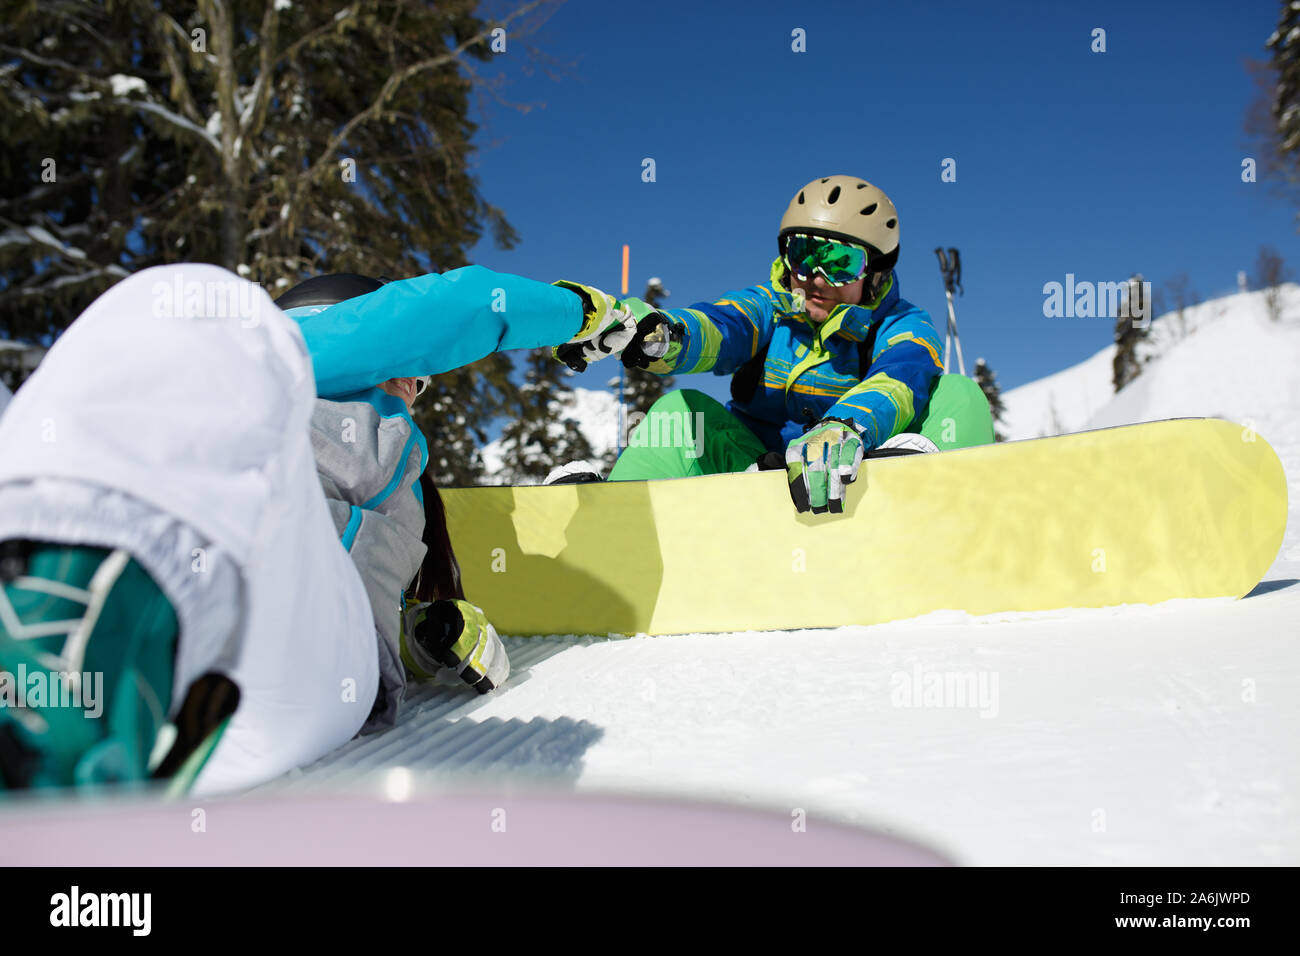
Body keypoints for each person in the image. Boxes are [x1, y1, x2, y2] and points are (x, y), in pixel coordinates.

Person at [0, 262, 628, 795]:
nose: (413, 392)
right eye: (412, 374)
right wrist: (578, 311)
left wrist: (428, 632)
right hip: (225, 698)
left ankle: (52, 671)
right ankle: (65, 704)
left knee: (168, 316)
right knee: (191, 302)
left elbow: (331, 570)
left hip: (304, 668)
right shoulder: (277, 352)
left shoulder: (289, 438)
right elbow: (455, 304)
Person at [595, 175, 994, 513]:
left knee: (959, 395)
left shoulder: (902, 323)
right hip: (759, 483)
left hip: (860, 481)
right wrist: (661, 334)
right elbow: (723, 324)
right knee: (678, 413)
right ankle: (617, 532)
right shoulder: (770, 307)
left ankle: (931, 511)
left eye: (838, 262)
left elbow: (899, 375)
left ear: (874, 272)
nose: (815, 277)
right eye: (802, 255)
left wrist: (844, 426)